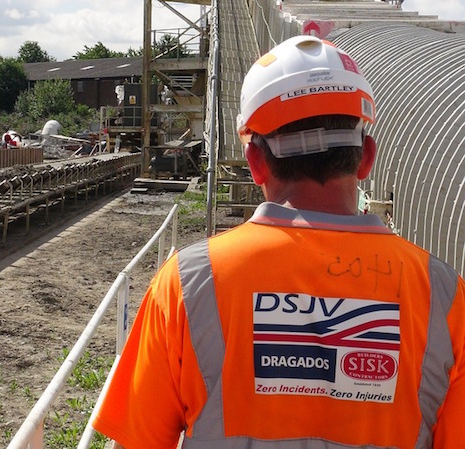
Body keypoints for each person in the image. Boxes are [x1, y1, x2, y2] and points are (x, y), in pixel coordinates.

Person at [92, 34, 465, 449]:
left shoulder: (189, 283)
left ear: (255, 162)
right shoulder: (445, 296)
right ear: (366, 157)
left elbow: (138, 441)